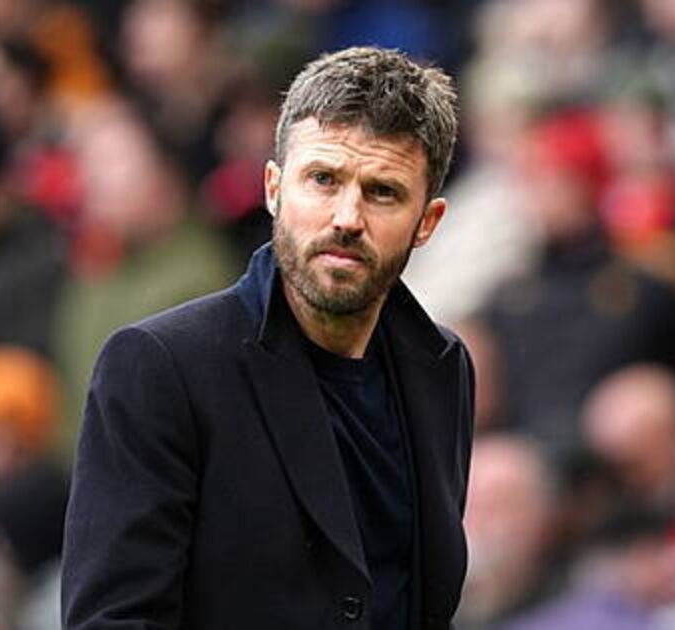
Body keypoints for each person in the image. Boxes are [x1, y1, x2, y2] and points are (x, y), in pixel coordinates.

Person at [61, 47, 473, 630]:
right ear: (275, 189)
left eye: (382, 191)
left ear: (427, 222)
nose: (347, 217)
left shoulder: (442, 367)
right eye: (323, 180)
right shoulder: (161, 366)